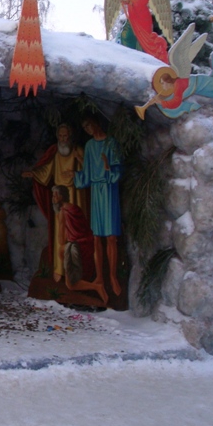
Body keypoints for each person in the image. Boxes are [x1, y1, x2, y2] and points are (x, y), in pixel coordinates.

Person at [22, 123, 87, 283]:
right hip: (59, 195)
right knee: (60, 233)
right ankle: (60, 269)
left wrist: (79, 164)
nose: (63, 139)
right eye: (60, 136)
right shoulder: (56, 152)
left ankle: (76, 272)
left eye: (65, 136)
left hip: (76, 194)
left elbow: (90, 170)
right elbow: (46, 170)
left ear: (70, 136)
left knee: (76, 233)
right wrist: (34, 174)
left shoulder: (78, 150)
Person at [73, 117, 123, 304]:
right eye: (85, 127)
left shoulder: (111, 142)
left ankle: (113, 276)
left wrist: (109, 168)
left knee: (110, 237)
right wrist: (76, 175)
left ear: (97, 122)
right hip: (95, 190)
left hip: (109, 191)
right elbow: (86, 173)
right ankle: (99, 277)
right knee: (96, 237)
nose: (88, 129)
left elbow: (118, 171)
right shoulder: (89, 146)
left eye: (89, 124)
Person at [51, 185, 105, 302]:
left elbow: (61, 240)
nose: (53, 198)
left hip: (77, 247)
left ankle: (96, 287)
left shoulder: (62, 213)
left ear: (61, 197)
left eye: (55, 195)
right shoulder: (76, 208)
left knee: (71, 284)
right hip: (88, 244)